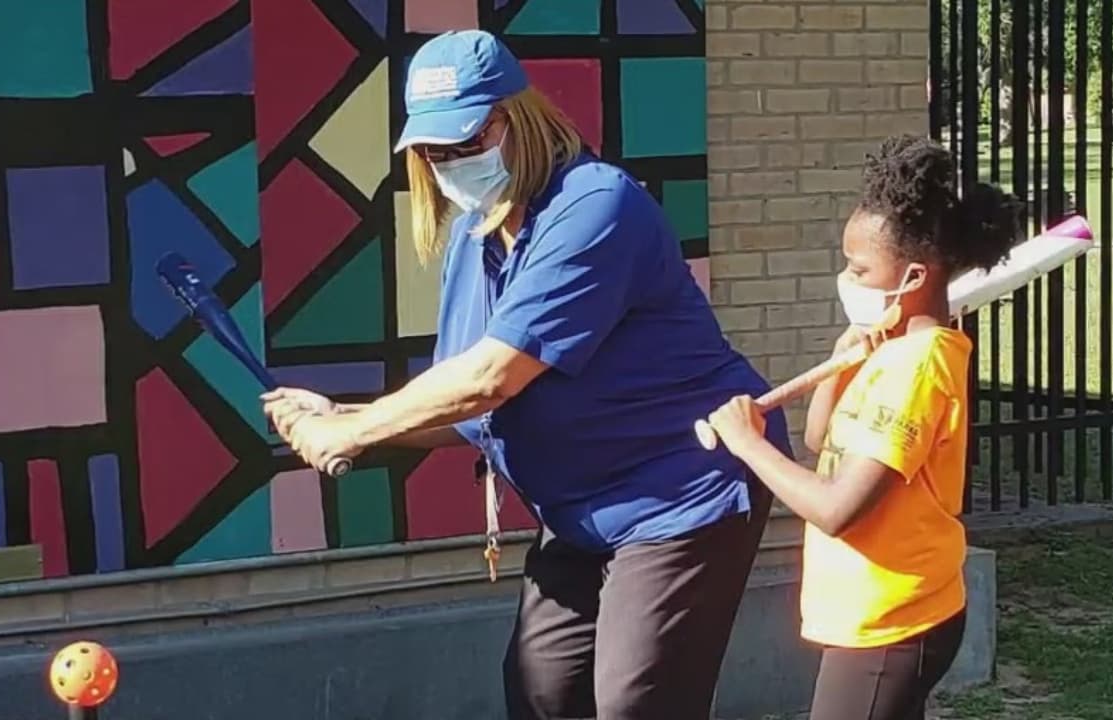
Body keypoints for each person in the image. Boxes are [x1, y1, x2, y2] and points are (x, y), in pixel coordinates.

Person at [261, 30, 791, 719]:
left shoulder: (596, 206)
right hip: (580, 508)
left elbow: (490, 377)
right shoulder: (475, 236)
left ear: (518, 118)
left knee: (635, 704)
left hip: (680, 487)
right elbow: (468, 406)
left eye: (467, 140)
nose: (450, 162)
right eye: (433, 150)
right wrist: (344, 417)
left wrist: (354, 431)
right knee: (543, 693)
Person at [705, 135, 1023, 720]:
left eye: (859, 269)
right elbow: (821, 440)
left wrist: (749, 445)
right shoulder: (890, 351)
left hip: (895, 622)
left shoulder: (917, 368)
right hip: (872, 611)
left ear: (913, 276)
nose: (845, 279)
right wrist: (841, 360)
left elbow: (837, 508)